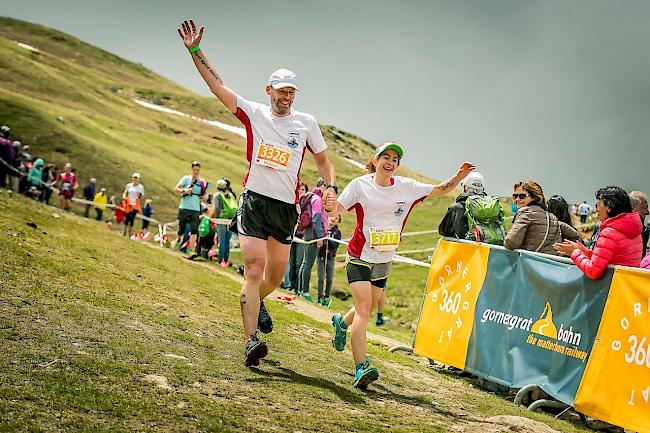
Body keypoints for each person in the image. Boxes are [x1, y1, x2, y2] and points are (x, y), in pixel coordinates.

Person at [178, 19, 337, 367]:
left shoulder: (306, 123)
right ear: (269, 90)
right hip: (254, 202)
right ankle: (251, 341)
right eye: (281, 90)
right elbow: (218, 86)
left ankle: (256, 299)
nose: (286, 95)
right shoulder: (254, 112)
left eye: (292, 91)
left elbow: (324, 162)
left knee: (275, 277)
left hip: (285, 209)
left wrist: (330, 188)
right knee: (253, 269)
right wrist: (195, 51)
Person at [329, 141, 474, 388]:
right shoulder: (359, 185)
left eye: (395, 159)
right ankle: (360, 367)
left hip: (384, 259)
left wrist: (459, 176)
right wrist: (332, 212)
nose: (390, 162)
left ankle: (342, 324)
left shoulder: (407, 188)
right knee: (363, 311)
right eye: (385, 157)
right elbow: (337, 209)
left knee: (369, 307)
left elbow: (440, 189)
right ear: (375, 161)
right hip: (359, 256)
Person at [555, 186, 642, 279]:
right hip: (625, 286)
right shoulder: (635, 231)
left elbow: (593, 271)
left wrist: (574, 252)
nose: (596, 209)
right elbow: (608, 260)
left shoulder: (609, 233)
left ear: (609, 207)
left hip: (611, 288)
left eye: (598, 205)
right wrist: (583, 251)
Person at [504, 180, 580, 255]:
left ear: (534, 196)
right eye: (515, 196)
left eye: (522, 196)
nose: (517, 199)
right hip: (548, 264)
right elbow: (576, 237)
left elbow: (511, 243)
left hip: (528, 263)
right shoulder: (552, 217)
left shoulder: (526, 212)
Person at [298, 179, 328, 301]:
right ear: (323, 186)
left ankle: (300, 289)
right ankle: (304, 291)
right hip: (313, 233)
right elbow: (316, 218)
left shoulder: (312, 197)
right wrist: (320, 237)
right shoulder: (317, 199)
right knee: (308, 263)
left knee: (305, 262)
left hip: (310, 232)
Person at [438, 171, 487, 239]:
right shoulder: (493, 208)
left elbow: (443, 230)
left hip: (463, 248)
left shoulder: (456, 208)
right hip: (488, 249)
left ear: (464, 187)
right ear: (483, 189)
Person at [174, 161, 207, 259]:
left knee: (194, 230)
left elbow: (205, 194)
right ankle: (177, 241)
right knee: (181, 229)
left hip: (195, 208)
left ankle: (191, 250)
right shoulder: (186, 179)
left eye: (198, 170)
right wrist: (184, 190)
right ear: (191, 169)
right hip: (184, 207)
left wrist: (205, 197)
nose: (196, 172)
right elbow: (176, 189)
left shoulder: (201, 182)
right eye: (194, 170)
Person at [286, 181, 309, 293]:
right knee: (292, 262)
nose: (301, 192)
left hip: (301, 236)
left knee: (298, 263)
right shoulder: (291, 202)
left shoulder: (307, 205)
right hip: (291, 235)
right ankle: (290, 284)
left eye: (303, 190)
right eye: (299, 189)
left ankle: (297, 287)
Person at [317, 214, 342, 307]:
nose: (333, 219)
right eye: (332, 216)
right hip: (321, 256)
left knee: (329, 278)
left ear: (338, 221)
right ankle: (319, 297)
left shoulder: (337, 232)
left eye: (336, 218)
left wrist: (329, 240)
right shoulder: (323, 229)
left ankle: (326, 297)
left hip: (331, 258)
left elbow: (335, 245)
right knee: (321, 277)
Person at [211, 178, 237, 268]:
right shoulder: (231, 194)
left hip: (222, 219)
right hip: (230, 220)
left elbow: (217, 207)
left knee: (221, 240)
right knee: (227, 240)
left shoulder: (217, 195)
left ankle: (220, 260)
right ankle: (225, 260)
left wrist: (216, 218)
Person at [122, 172, 144, 238]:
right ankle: (124, 231)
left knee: (132, 219)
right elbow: (125, 193)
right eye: (134, 177)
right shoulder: (129, 185)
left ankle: (129, 233)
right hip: (128, 204)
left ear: (139, 179)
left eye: (136, 178)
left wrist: (139, 196)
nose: (135, 179)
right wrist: (124, 197)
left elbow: (142, 197)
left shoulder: (140, 187)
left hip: (135, 205)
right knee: (127, 218)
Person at [629, 191, 649, 257]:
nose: (647, 212)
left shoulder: (645, 231)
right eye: (645, 208)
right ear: (633, 208)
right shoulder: (623, 231)